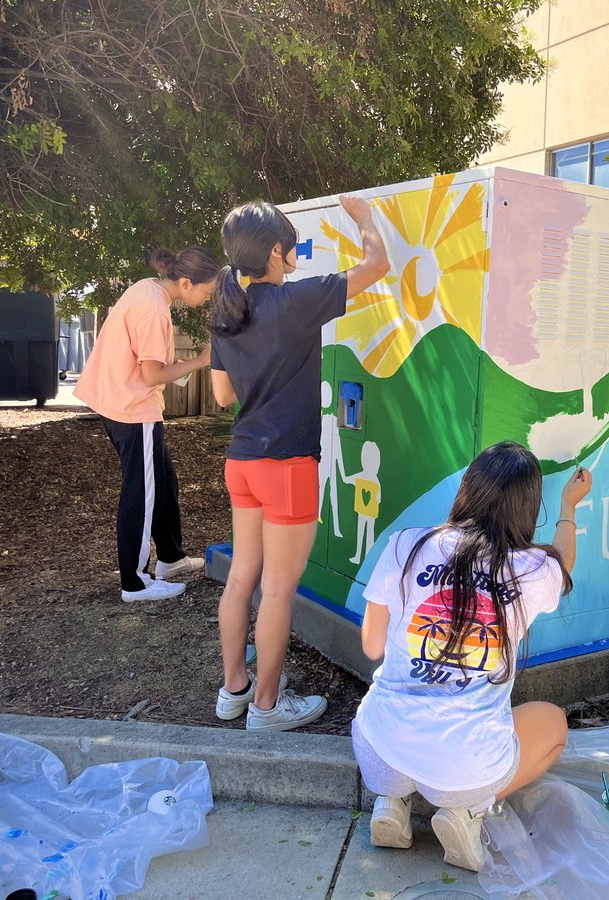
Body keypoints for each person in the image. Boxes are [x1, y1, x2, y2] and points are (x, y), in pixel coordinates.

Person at [352, 443, 593, 872]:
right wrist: (568, 506)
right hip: (467, 769)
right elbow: (565, 560)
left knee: (393, 741)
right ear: (526, 509)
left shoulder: (405, 545)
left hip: (379, 749)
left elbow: (372, 647)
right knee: (553, 722)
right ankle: (464, 813)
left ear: (467, 488)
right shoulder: (531, 568)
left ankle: (390, 802)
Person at [209, 196, 389, 732]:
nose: (295, 259)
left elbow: (221, 395)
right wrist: (365, 221)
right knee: (279, 591)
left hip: (242, 462)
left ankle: (234, 688)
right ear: (277, 253)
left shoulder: (226, 311)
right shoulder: (296, 302)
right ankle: (266, 707)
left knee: (242, 577)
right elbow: (375, 267)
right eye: (290, 251)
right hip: (286, 466)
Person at [74, 247, 218, 602]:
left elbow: (145, 356)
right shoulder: (155, 309)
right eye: (207, 291)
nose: (207, 297)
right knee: (142, 491)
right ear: (186, 282)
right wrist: (200, 362)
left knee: (164, 479)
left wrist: (177, 363)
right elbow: (152, 374)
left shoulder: (147, 288)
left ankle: (170, 558)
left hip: (117, 397)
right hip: (132, 408)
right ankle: (134, 582)